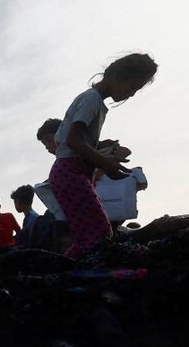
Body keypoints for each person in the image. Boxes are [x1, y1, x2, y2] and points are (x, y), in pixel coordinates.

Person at [49, 53, 158, 257]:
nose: (131, 94)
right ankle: (69, 275)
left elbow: (72, 141)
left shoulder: (96, 102)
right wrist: (105, 163)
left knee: (92, 234)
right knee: (96, 235)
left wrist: (107, 160)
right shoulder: (91, 99)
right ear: (118, 76)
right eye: (133, 87)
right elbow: (74, 140)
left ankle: (70, 274)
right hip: (70, 173)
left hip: (74, 172)